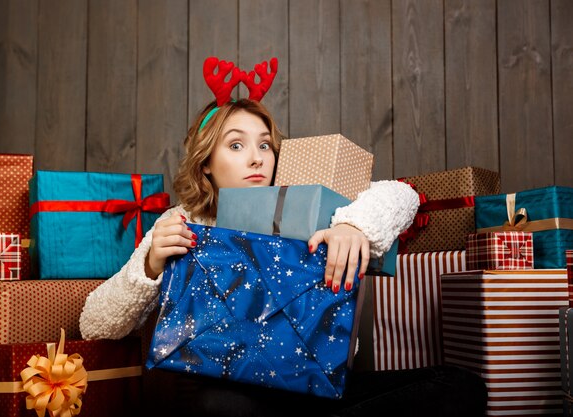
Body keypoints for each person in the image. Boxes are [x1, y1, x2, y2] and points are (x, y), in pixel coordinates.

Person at [79, 58, 487, 416]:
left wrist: (353, 226)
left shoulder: (306, 204)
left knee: (460, 387)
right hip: (231, 396)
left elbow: (403, 195)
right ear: (205, 164)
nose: (257, 158)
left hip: (317, 392)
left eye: (266, 146)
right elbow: (94, 325)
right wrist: (151, 263)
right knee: (216, 407)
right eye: (236, 145)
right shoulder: (183, 220)